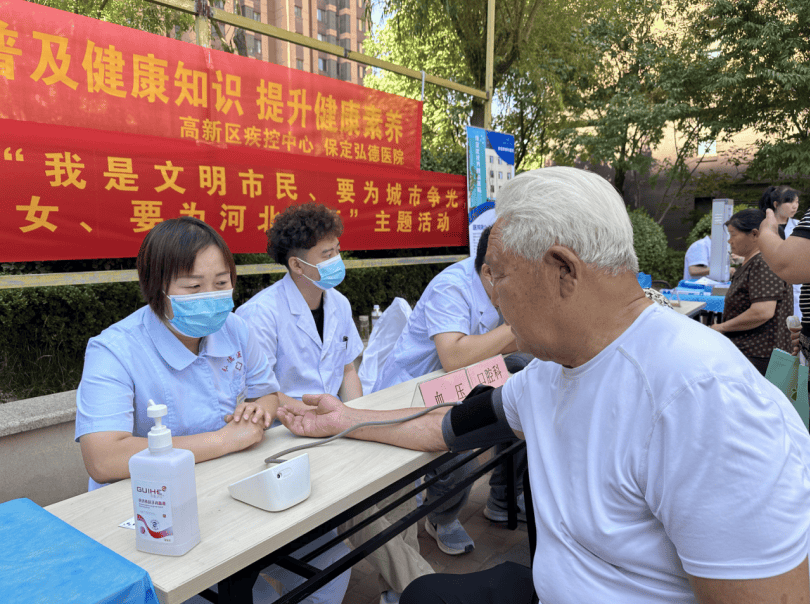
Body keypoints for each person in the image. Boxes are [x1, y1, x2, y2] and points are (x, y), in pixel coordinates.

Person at [277, 166, 810, 604]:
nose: (494, 302)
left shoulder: (700, 399)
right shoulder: (552, 372)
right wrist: (349, 419)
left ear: (562, 271)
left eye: (500, 277)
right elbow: (448, 427)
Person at [75, 216, 303, 603]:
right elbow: (103, 457)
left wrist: (259, 412)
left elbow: (268, 393)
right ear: (157, 289)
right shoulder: (114, 350)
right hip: (144, 513)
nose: (212, 296)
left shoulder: (233, 329)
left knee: (317, 546)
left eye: (221, 283)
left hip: (219, 490)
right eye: (194, 286)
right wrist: (226, 439)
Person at [237, 203, 433, 604]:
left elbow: (347, 372)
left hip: (337, 427)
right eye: (326, 255)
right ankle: (421, 588)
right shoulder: (259, 315)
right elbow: (260, 393)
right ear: (296, 265)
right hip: (290, 440)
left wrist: (356, 421)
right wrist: (328, 419)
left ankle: (401, 590)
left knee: (401, 488)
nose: (336, 261)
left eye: (336, 250)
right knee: (365, 514)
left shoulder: (338, 304)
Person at [372, 226, 522, 555]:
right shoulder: (451, 287)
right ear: (488, 271)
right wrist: (520, 324)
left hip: (467, 380)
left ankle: (502, 498)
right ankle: (442, 517)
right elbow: (454, 356)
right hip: (416, 389)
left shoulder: (501, 281)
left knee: (522, 407)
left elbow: (505, 347)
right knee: (460, 452)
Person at [710, 209, 792, 375]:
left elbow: (763, 311)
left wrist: (722, 327)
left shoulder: (763, 262)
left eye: (733, 234)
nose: (729, 240)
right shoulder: (755, 261)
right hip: (752, 353)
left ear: (755, 235)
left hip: (760, 355)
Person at [759, 185, 802, 317]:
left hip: (796, 286)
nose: (795, 206)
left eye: (797, 202)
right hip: (767, 285)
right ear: (776, 204)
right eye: (790, 202)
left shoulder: (801, 226)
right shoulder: (761, 226)